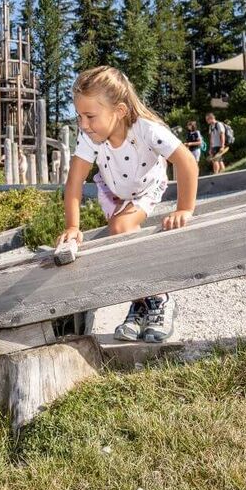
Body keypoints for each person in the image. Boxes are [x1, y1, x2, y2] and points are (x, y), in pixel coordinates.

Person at [59, 66, 198, 343]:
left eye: (90, 116)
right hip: (114, 192)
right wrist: (73, 226)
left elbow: (187, 163)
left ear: (119, 111)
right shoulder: (90, 138)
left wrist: (184, 208)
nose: (83, 124)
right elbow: (74, 182)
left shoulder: (146, 129)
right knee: (117, 229)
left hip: (147, 185)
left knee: (121, 226)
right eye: (79, 116)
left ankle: (159, 297)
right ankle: (140, 302)